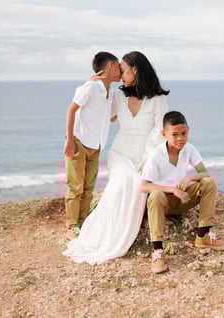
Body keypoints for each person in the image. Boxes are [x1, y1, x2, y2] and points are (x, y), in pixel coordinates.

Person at [63, 51, 169, 264]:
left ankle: (119, 228)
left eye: (124, 70)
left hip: (144, 155)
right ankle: (97, 233)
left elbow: (159, 132)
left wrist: (147, 160)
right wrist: (91, 85)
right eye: (119, 69)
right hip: (119, 153)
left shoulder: (158, 99)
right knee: (122, 183)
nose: (121, 74)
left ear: (135, 71)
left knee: (138, 183)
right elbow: (101, 111)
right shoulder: (118, 95)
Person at [140, 111, 224, 274]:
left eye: (184, 133)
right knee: (155, 194)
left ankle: (203, 235)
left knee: (208, 183)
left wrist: (189, 178)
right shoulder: (156, 156)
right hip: (164, 204)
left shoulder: (189, 149)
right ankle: (158, 252)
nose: (180, 138)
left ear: (188, 130)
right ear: (164, 134)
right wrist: (172, 189)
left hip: (183, 200)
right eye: (174, 134)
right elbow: (144, 186)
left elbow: (205, 173)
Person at [63, 52, 121, 240]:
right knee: (76, 186)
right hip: (79, 141)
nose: (121, 70)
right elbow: (71, 110)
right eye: (119, 66)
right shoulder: (89, 87)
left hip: (97, 145)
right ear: (110, 66)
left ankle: (83, 221)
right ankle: (72, 225)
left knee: (88, 186)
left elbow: (111, 117)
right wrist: (70, 140)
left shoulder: (111, 92)